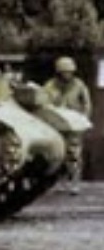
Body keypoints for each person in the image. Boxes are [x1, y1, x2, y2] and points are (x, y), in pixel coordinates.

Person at [44, 55, 93, 190]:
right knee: (56, 155)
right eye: (64, 72)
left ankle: (75, 182)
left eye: (69, 72)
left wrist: (84, 119)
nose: (67, 74)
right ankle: (58, 182)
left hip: (74, 126)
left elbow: (87, 103)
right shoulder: (50, 86)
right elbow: (43, 103)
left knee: (74, 154)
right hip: (56, 125)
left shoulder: (79, 85)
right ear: (58, 72)